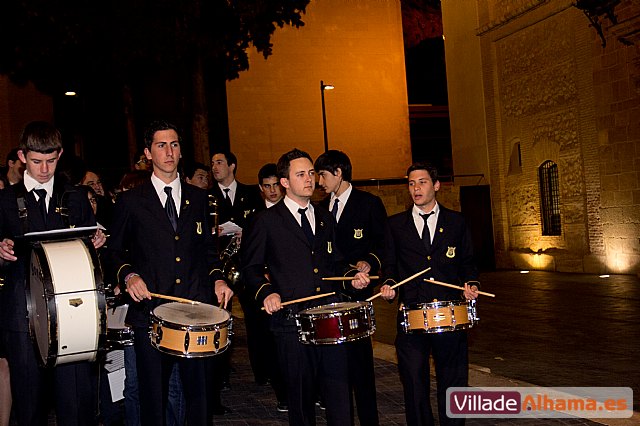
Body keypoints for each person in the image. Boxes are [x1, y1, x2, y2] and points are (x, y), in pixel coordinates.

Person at [106, 120, 233, 426]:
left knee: (199, 399)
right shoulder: (130, 202)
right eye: (161, 145)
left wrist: (218, 277)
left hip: (195, 312)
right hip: (150, 314)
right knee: (153, 400)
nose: (169, 151)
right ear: (148, 153)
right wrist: (128, 276)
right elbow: (111, 253)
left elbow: (208, 253)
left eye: (174, 144)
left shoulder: (200, 199)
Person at [242, 148, 370, 426]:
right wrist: (266, 292)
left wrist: (351, 276)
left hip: (330, 320)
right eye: (301, 174)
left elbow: (335, 263)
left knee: (339, 398)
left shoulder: (325, 218)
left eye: (311, 173)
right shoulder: (265, 221)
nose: (310, 179)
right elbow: (249, 270)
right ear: (285, 182)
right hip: (291, 324)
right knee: (301, 402)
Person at [0, 121, 106, 425]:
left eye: (50, 160)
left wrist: (96, 244)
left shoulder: (75, 198)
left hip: (74, 317)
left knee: (76, 407)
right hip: (22, 317)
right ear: (22, 156)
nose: (44, 169)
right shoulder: (5, 201)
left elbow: (92, 258)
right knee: (29, 407)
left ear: (59, 155)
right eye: (36, 161)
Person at [379, 162, 479, 426]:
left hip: (450, 314)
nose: (416, 188)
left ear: (436, 186)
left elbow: (468, 261)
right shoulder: (395, 225)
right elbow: (390, 266)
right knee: (413, 381)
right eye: (411, 183)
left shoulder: (456, 222)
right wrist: (389, 286)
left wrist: (471, 284)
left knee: (454, 378)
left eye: (422, 182)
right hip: (411, 314)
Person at [314, 150, 387, 426]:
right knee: (334, 367)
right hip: (330, 294)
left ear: (339, 172)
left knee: (361, 366)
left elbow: (382, 244)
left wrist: (369, 262)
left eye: (322, 174)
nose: (319, 181)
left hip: (357, 295)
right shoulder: (320, 210)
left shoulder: (368, 204)